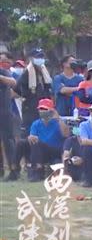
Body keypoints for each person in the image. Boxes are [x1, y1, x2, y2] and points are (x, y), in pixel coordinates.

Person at [17, 99, 69, 181]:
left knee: (38, 144)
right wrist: (30, 137)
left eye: (45, 109)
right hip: (39, 150)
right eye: (40, 109)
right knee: (22, 143)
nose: (42, 112)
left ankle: (38, 171)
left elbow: (66, 134)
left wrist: (58, 118)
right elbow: (32, 136)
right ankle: (15, 170)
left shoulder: (58, 123)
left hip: (54, 151)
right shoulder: (36, 123)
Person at [16, 48, 53, 133]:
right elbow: (18, 89)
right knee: (30, 131)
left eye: (41, 57)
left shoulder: (44, 72)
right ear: (31, 58)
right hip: (31, 107)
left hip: (44, 106)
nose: (40, 59)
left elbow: (48, 87)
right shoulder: (27, 73)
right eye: (37, 57)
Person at [0, 52, 21, 180]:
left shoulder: (3, 72)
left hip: (5, 112)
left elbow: (13, 82)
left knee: (8, 141)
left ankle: (14, 171)